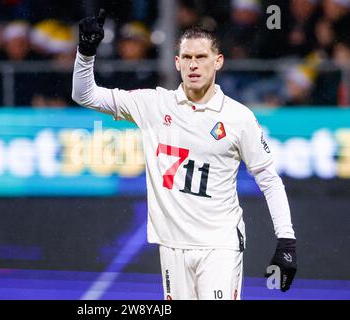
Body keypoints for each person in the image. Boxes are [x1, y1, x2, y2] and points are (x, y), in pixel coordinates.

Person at [72, 10, 297, 300]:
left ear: (218, 62)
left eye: (201, 57)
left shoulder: (239, 118)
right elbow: (84, 95)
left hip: (219, 245)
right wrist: (86, 53)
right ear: (177, 62)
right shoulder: (153, 105)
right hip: (172, 247)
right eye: (187, 58)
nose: (194, 65)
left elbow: (269, 179)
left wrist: (286, 240)